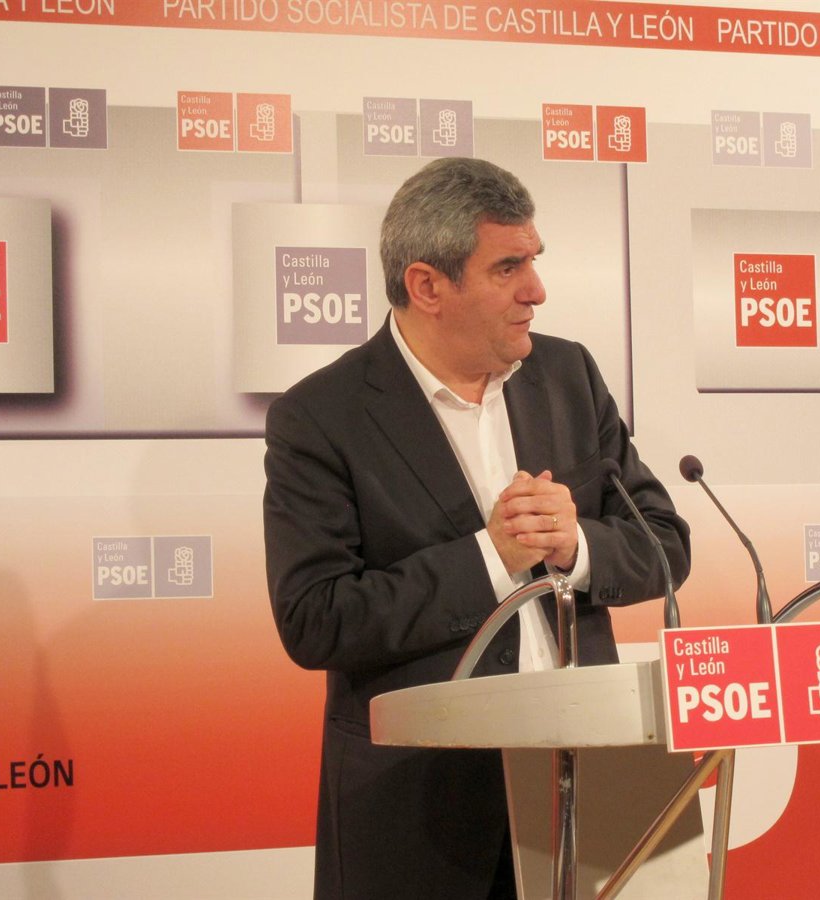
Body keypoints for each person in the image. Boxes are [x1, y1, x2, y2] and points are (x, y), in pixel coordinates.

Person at [263, 157, 690, 899]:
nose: (537, 290)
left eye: (534, 261)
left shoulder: (569, 375)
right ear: (428, 286)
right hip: (423, 815)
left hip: (587, 791)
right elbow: (316, 618)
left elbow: (664, 542)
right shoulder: (322, 417)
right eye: (508, 268)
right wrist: (492, 558)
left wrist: (577, 545)